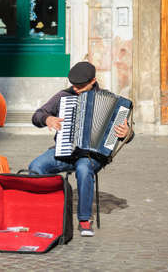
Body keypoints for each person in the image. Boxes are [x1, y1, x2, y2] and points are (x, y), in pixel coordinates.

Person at [28, 61, 134, 237]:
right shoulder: (63, 96)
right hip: (64, 151)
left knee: (84, 169)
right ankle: (44, 213)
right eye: (74, 86)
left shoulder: (111, 100)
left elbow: (129, 134)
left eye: (81, 86)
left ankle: (85, 219)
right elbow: (36, 115)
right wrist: (47, 119)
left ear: (93, 81)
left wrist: (127, 133)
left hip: (92, 156)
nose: (76, 90)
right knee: (36, 166)